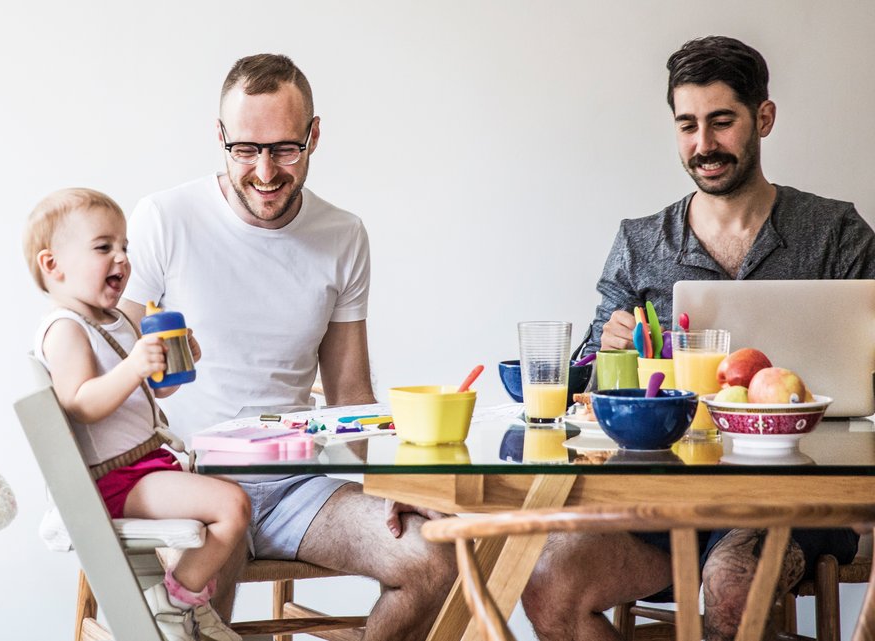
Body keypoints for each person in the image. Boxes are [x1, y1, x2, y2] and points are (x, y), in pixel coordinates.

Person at [524, 36, 875, 641]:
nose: (703, 145)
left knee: (733, 588)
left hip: (792, 495)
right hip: (665, 500)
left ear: (762, 118)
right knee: (550, 585)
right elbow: (583, 377)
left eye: (721, 122)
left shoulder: (836, 232)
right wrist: (606, 350)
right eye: (687, 125)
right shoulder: (640, 242)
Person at [119, 54, 455, 640]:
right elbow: (112, 361)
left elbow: (350, 393)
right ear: (219, 137)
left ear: (314, 135)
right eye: (245, 149)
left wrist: (396, 490)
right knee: (197, 619)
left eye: (285, 148)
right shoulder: (165, 218)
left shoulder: (342, 235)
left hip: (297, 486)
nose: (266, 171)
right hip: (190, 478)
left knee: (433, 560)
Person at [24, 188, 251, 641]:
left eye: (125, 246)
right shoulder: (65, 329)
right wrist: (134, 365)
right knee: (232, 505)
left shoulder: (117, 321)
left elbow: (154, 391)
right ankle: (173, 605)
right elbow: (81, 404)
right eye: (104, 247)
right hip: (116, 480)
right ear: (53, 265)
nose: (122, 258)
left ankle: (188, 604)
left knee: (228, 497)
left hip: (145, 467)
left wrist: (177, 361)